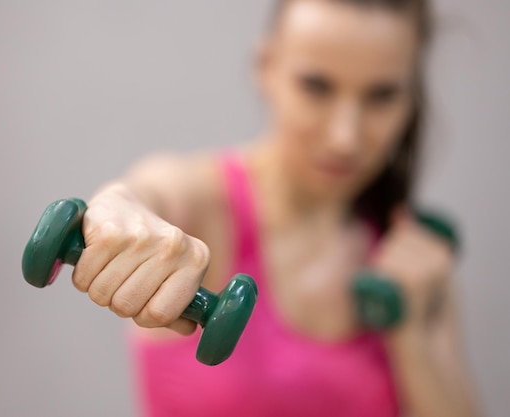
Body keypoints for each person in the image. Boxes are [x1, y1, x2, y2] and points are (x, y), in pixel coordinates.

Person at [71, 0, 481, 416]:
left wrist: (412, 335)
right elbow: (145, 190)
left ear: (412, 97)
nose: (346, 137)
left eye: (382, 95)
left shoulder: (415, 263)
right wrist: (117, 209)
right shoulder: (202, 206)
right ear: (266, 67)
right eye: (317, 87)